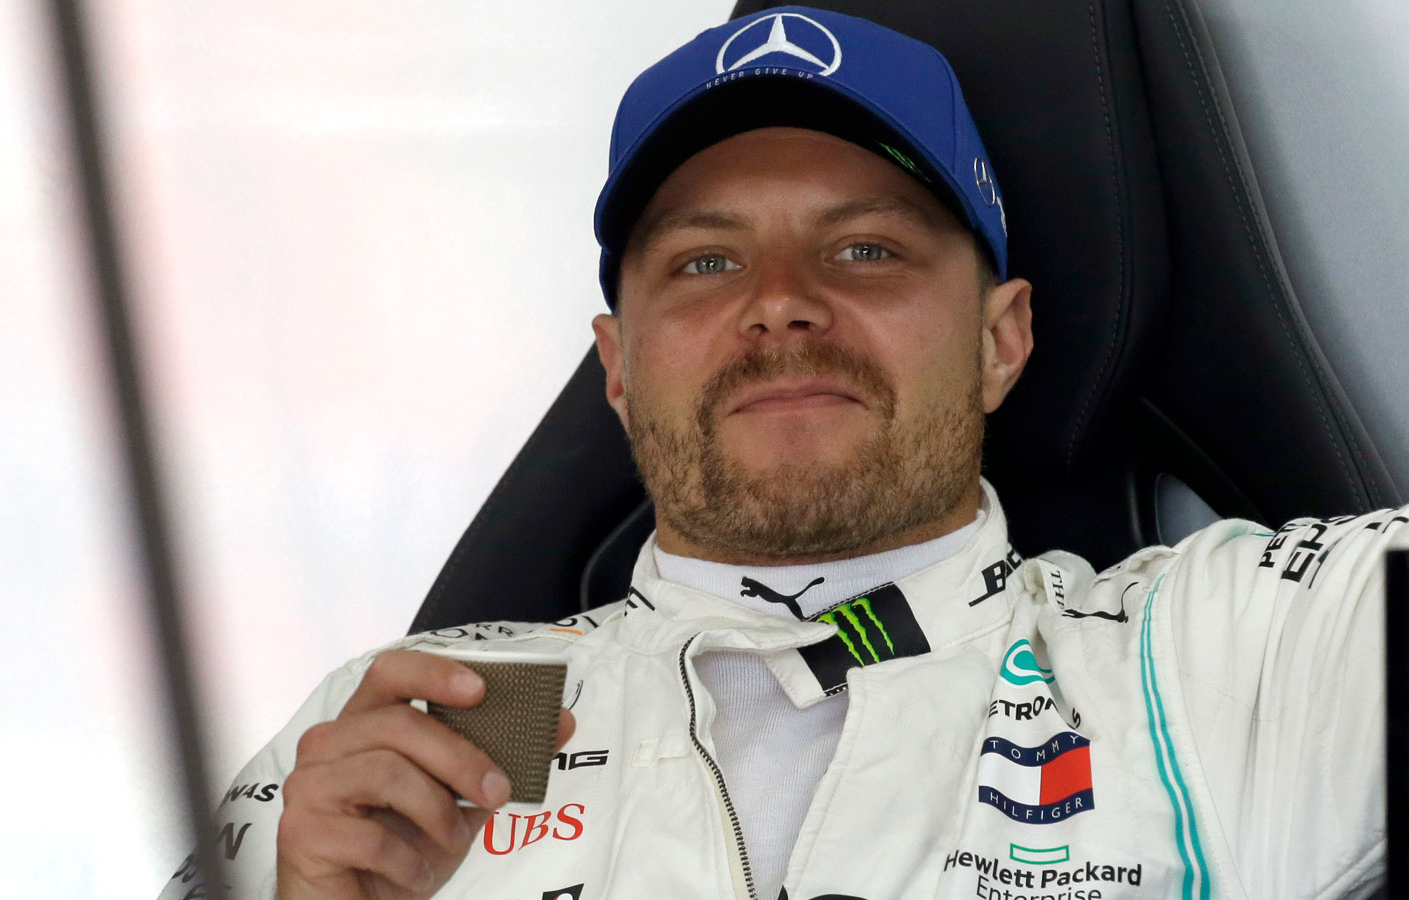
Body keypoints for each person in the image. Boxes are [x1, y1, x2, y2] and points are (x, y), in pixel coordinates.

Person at [158, 7, 1405, 900]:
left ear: (1000, 339)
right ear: (617, 364)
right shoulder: (423, 725)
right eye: (705, 261)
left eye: (865, 249)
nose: (780, 303)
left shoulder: (1243, 651)